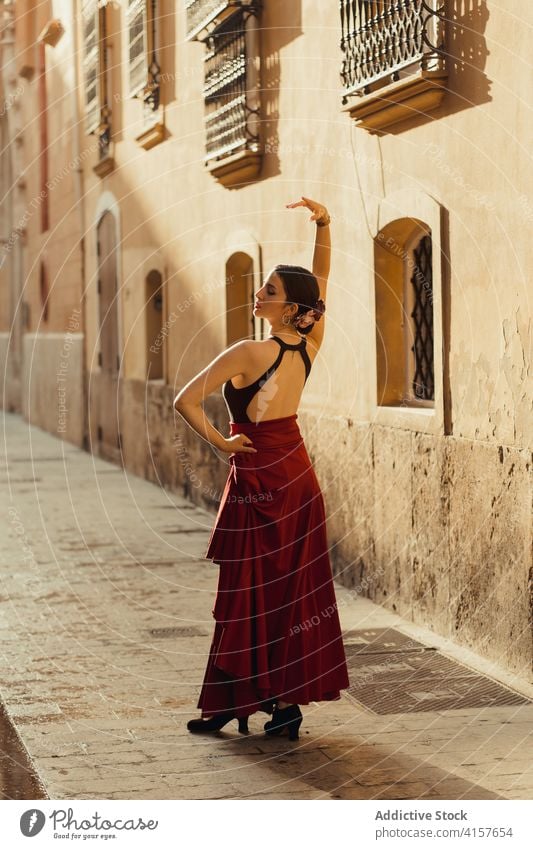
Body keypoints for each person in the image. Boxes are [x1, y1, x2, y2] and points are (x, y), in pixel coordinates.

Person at [174, 196, 350, 741]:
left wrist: (224, 442)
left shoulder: (249, 351)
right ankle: (284, 706)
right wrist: (324, 224)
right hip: (297, 476)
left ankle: (237, 699)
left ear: (285, 305)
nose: (259, 294)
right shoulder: (308, 343)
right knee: (293, 594)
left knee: (250, 592)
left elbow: (184, 400)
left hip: (257, 481)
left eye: (269, 291)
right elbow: (317, 281)